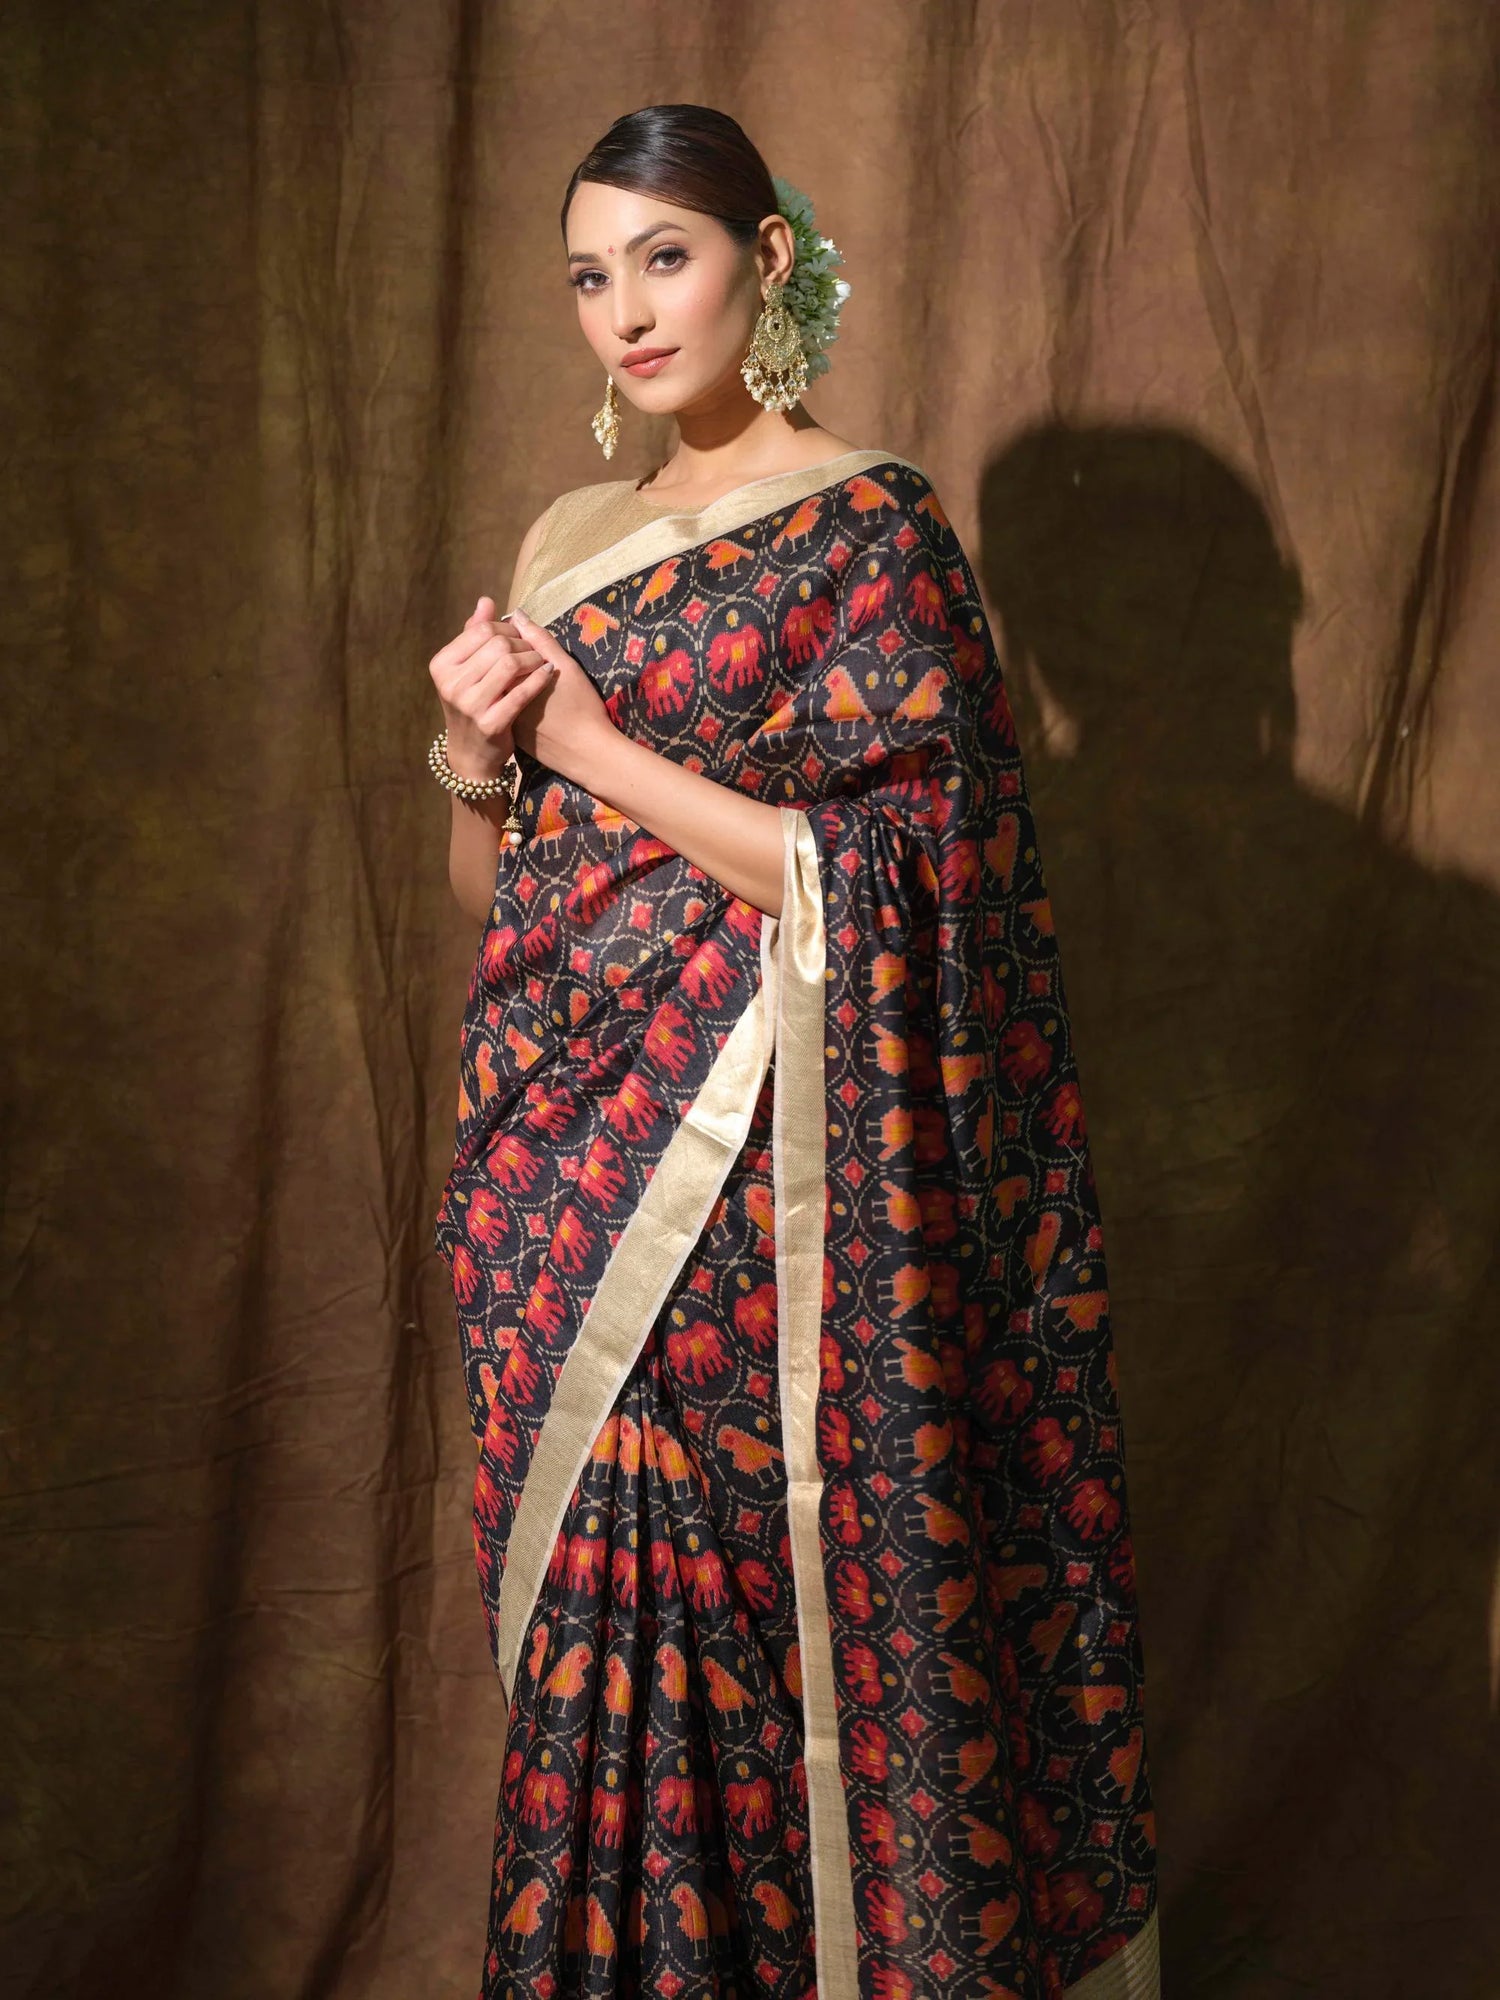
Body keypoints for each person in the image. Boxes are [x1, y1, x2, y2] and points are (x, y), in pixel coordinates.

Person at [428, 102, 1160, 2000]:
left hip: (761, 1186)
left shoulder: (872, 527)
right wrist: (482, 759)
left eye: (662, 259)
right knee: (592, 1640)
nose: (623, 312)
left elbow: (914, 876)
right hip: (548, 1178)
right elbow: (502, 899)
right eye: (589, 276)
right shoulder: (566, 540)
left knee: (764, 1637)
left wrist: (590, 749)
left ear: (767, 261)